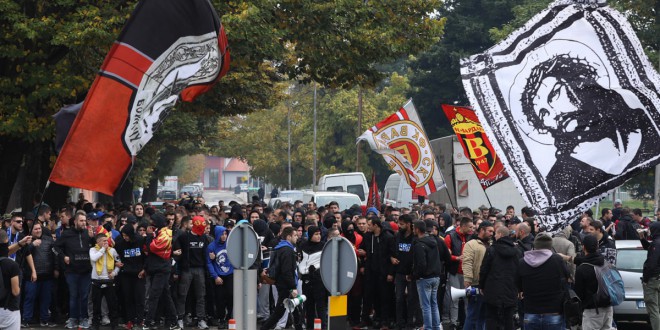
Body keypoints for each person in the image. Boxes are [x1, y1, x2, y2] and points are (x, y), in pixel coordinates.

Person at [520, 54, 659, 204]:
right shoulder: (561, 177)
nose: (555, 113)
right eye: (543, 113)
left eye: (554, 94)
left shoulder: (646, 123)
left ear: (580, 84)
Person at [516, 233, 569, 330]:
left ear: (535, 245)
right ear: (550, 246)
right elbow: (567, 277)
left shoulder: (522, 262)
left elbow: (518, 286)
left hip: (530, 312)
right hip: (553, 312)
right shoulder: (557, 260)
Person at [53, 211, 93, 329]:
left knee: (84, 296)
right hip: (71, 271)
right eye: (81, 221)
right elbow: (55, 247)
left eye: (85, 221)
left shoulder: (88, 233)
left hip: (86, 271)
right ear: (75, 221)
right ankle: (73, 319)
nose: (83, 223)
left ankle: (84, 319)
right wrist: (63, 257)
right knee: (73, 295)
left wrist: (93, 238)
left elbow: (97, 248)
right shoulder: (66, 234)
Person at [260, 227, 303, 330]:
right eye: (295, 235)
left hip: (282, 284)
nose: (297, 237)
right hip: (286, 286)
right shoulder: (287, 250)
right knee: (279, 313)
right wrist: (292, 287)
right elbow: (287, 271)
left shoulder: (280, 247)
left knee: (296, 310)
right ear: (289, 237)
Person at [142, 213, 180, 330]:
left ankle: (148, 323)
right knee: (166, 296)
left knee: (154, 296)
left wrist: (148, 236)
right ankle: (174, 323)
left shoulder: (166, 233)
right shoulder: (157, 232)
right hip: (155, 269)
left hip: (162, 269)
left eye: (152, 221)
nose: (150, 224)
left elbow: (152, 247)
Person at [479, 226, 521, 330]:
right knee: (508, 318)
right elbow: (520, 271)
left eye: (496, 234)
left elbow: (484, 269)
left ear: (501, 235)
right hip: (511, 288)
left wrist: (482, 285)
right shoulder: (517, 251)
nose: (494, 235)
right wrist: (520, 288)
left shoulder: (491, 250)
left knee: (491, 317)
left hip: (492, 288)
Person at [174, 216, 210, 329]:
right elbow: (176, 251)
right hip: (187, 269)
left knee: (201, 296)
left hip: (200, 269)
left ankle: (201, 319)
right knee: (182, 294)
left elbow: (206, 253)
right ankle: (180, 318)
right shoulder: (184, 237)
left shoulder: (204, 238)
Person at [574, 235, 613, 329]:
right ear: (597, 246)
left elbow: (579, 293)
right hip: (608, 307)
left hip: (592, 310)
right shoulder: (606, 263)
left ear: (583, 247)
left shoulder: (582, 269)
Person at [22, 222, 57, 327]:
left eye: (39, 228)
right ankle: (26, 320)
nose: (38, 230)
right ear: (31, 231)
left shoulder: (49, 240)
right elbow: (23, 254)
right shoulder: (26, 240)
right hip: (31, 276)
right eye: (35, 229)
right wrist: (32, 244)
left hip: (47, 275)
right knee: (30, 298)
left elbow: (55, 254)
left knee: (46, 299)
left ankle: (44, 319)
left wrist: (56, 268)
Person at [114, 224, 146, 330]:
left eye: (126, 235)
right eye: (123, 235)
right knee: (128, 298)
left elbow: (147, 256)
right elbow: (113, 255)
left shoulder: (140, 240)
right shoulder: (120, 243)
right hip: (126, 274)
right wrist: (116, 263)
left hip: (139, 274)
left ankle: (140, 320)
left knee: (140, 298)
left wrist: (144, 269)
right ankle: (130, 320)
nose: (125, 237)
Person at [462, 221, 493, 330]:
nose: (491, 233)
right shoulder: (471, 244)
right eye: (489, 231)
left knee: (483, 316)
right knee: (472, 314)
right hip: (475, 284)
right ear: (481, 230)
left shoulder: (491, 245)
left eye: (493, 231)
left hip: (487, 286)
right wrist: (468, 279)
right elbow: (467, 262)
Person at [411, 220, 442, 330]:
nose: (413, 230)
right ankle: (436, 327)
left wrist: (415, 275)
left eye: (414, 228)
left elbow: (421, 264)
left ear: (417, 229)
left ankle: (428, 327)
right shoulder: (433, 241)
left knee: (425, 306)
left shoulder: (419, 244)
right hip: (436, 276)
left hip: (425, 278)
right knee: (434, 304)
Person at [444, 217, 473, 330]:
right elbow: (445, 256)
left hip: (467, 274)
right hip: (455, 272)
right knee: (455, 298)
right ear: (463, 226)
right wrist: (457, 258)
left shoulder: (470, 236)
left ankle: (468, 323)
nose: (472, 229)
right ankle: (454, 322)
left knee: (467, 300)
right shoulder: (449, 237)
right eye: (470, 227)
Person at [392, 214, 421, 329]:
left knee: (412, 299)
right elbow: (393, 251)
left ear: (409, 224)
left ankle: (410, 322)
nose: (399, 226)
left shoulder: (415, 238)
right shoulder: (398, 236)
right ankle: (399, 322)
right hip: (399, 272)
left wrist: (413, 273)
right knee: (399, 298)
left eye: (402, 224)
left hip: (411, 274)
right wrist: (391, 258)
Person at [89, 234, 121, 330]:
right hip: (96, 281)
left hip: (109, 281)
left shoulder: (112, 250)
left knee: (112, 304)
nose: (106, 242)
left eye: (107, 240)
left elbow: (119, 263)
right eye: (103, 241)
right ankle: (95, 324)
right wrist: (103, 249)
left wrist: (114, 273)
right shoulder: (93, 250)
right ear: (97, 242)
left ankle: (114, 324)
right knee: (96, 305)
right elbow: (94, 258)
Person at [298, 226, 327, 329]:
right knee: (308, 305)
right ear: (310, 235)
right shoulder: (303, 246)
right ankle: (310, 327)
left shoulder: (324, 246)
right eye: (316, 234)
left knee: (320, 306)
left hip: (318, 279)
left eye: (319, 234)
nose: (318, 236)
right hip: (306, 279)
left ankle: (323, 327)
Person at [206, 226, 233, 329]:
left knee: (231, 296)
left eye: (225, 234)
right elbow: (209, 263)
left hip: (230, 274)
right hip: (218, 276)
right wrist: (215, 276)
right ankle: (221, 319)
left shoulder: (230, 244)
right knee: (219, 298)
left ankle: (229, 317)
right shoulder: (211, 247)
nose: (224, 236)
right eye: (222, 234)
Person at [0, 230, 21, 330]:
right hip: (9, 310)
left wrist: (20, 244)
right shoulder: (12, 265)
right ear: (7, 240)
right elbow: (15, 291)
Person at [642, 222, 660, 329]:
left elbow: (651, 263)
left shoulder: (656, 244)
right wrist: (642, 239)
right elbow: (648, 247)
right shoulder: (656, 243)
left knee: (653, 308)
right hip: (658, 277)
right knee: (657, 308)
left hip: (653, 279)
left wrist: (646, 279)